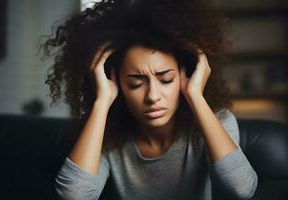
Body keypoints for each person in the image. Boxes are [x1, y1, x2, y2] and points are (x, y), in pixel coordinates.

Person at [42, 0, 258, 199]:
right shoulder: (107, 134)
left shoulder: (218, 121)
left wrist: (196, 97)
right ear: (115, 81)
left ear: (186, 75)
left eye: (166, 79)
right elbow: (74, 195)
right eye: (136, 83)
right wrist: (102, 101)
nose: (153, 96)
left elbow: (242, 189)